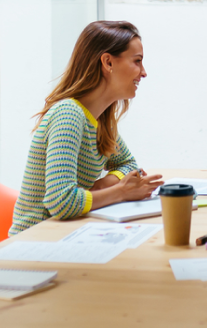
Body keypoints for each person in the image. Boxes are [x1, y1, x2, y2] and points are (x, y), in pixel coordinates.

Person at [10, 21, 163, 234]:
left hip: (64, 234)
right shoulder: (69, 114)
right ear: (108, 63)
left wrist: (100, 187)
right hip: (34, 240)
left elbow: (130, 165)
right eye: (137, 61)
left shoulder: (100, 120)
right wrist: (121, 191)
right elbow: (61, 202)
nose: (143, 72)